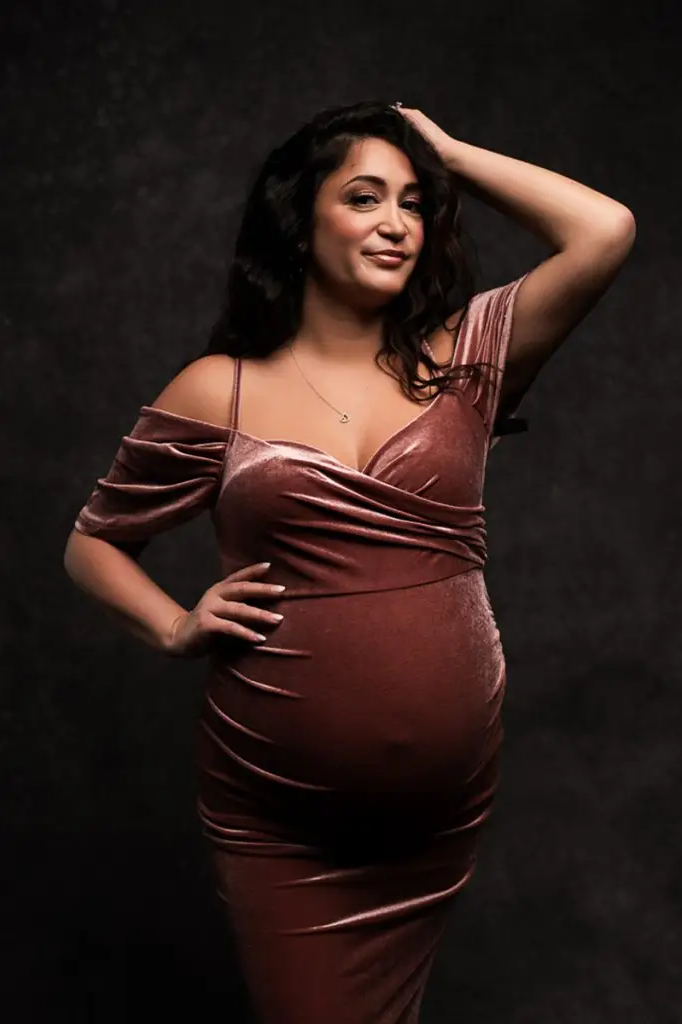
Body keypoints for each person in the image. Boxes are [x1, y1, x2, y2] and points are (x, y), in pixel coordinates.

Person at [63, 100, 636, 1023]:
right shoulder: (220, 389)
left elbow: (602, 230)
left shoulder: (463, 361)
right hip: (281, 819)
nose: (397, 223)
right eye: (365, 196)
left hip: (434, 817)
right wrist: (175, 622)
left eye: (415, 203)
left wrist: (446, 153)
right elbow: (93, 543)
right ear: (300, 219)